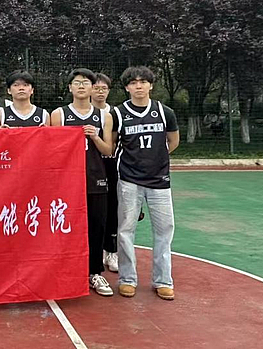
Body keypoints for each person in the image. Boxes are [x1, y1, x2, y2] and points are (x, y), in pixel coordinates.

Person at [112, 66, 180, 301]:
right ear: (127, 87)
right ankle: (127, 279)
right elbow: (113, 144)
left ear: (151, 85)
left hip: (159, 180)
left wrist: (156, 159)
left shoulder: (165, 112)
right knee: (125, 230)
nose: (138, 86)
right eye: (133, 82)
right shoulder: (118, 113)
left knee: (164, 230)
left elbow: (173, 141)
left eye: (143, 82)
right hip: (129, 179)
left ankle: (163, 281)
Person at [50, 68, 115, 297]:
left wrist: (94, 136)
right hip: (67, 181)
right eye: (76, 82)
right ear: (70, 87)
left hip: (96, 178)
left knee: (96, 227)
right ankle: (65, 270)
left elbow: (108, 150)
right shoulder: (59, 114)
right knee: (65, 226)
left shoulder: (103, 116)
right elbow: (52, 148)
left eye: (85, 82)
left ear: (92, 88)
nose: (81, 86)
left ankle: (94, 272)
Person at [91, 73, 119, 273]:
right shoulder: (80, 112)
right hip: (88, 167)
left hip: (110, 165)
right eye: (97, 88)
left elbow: (115, 142)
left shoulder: (114, 114)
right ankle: (91, 252)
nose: (100, 92)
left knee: (112, 208)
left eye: (104, 88)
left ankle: (111, 250)